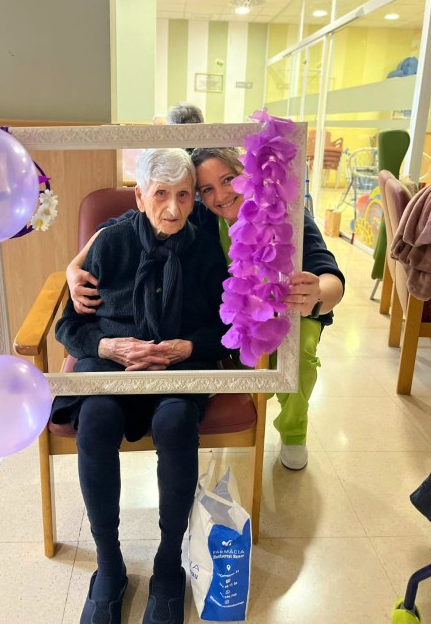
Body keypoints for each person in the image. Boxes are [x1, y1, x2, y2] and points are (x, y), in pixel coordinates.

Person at [67, 147, 345, 472]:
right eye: (208, 189)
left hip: (292, 311)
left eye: (228, 179)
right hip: (236, 318)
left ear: (247, 174)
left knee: (297, 353)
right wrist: (75, 265)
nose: (221, 195)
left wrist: (316, 294)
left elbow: (331, 277)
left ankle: (293, 431)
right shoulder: (202, 214)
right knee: (241, 361)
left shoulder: (284, 215)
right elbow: (127, 222)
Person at [54, 147, 229, 624]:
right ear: (139, 196)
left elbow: (224, 326)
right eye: (161, 194)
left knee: (175, 422)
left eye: (184, 195)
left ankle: (168, 565)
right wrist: (107, 346)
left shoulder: (204, 247)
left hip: (180, 365)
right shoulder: (110, 243)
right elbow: (69, 326)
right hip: (111, 365)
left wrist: (187, 348)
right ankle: (109, 566)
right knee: (96, 416)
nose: (173, 208)